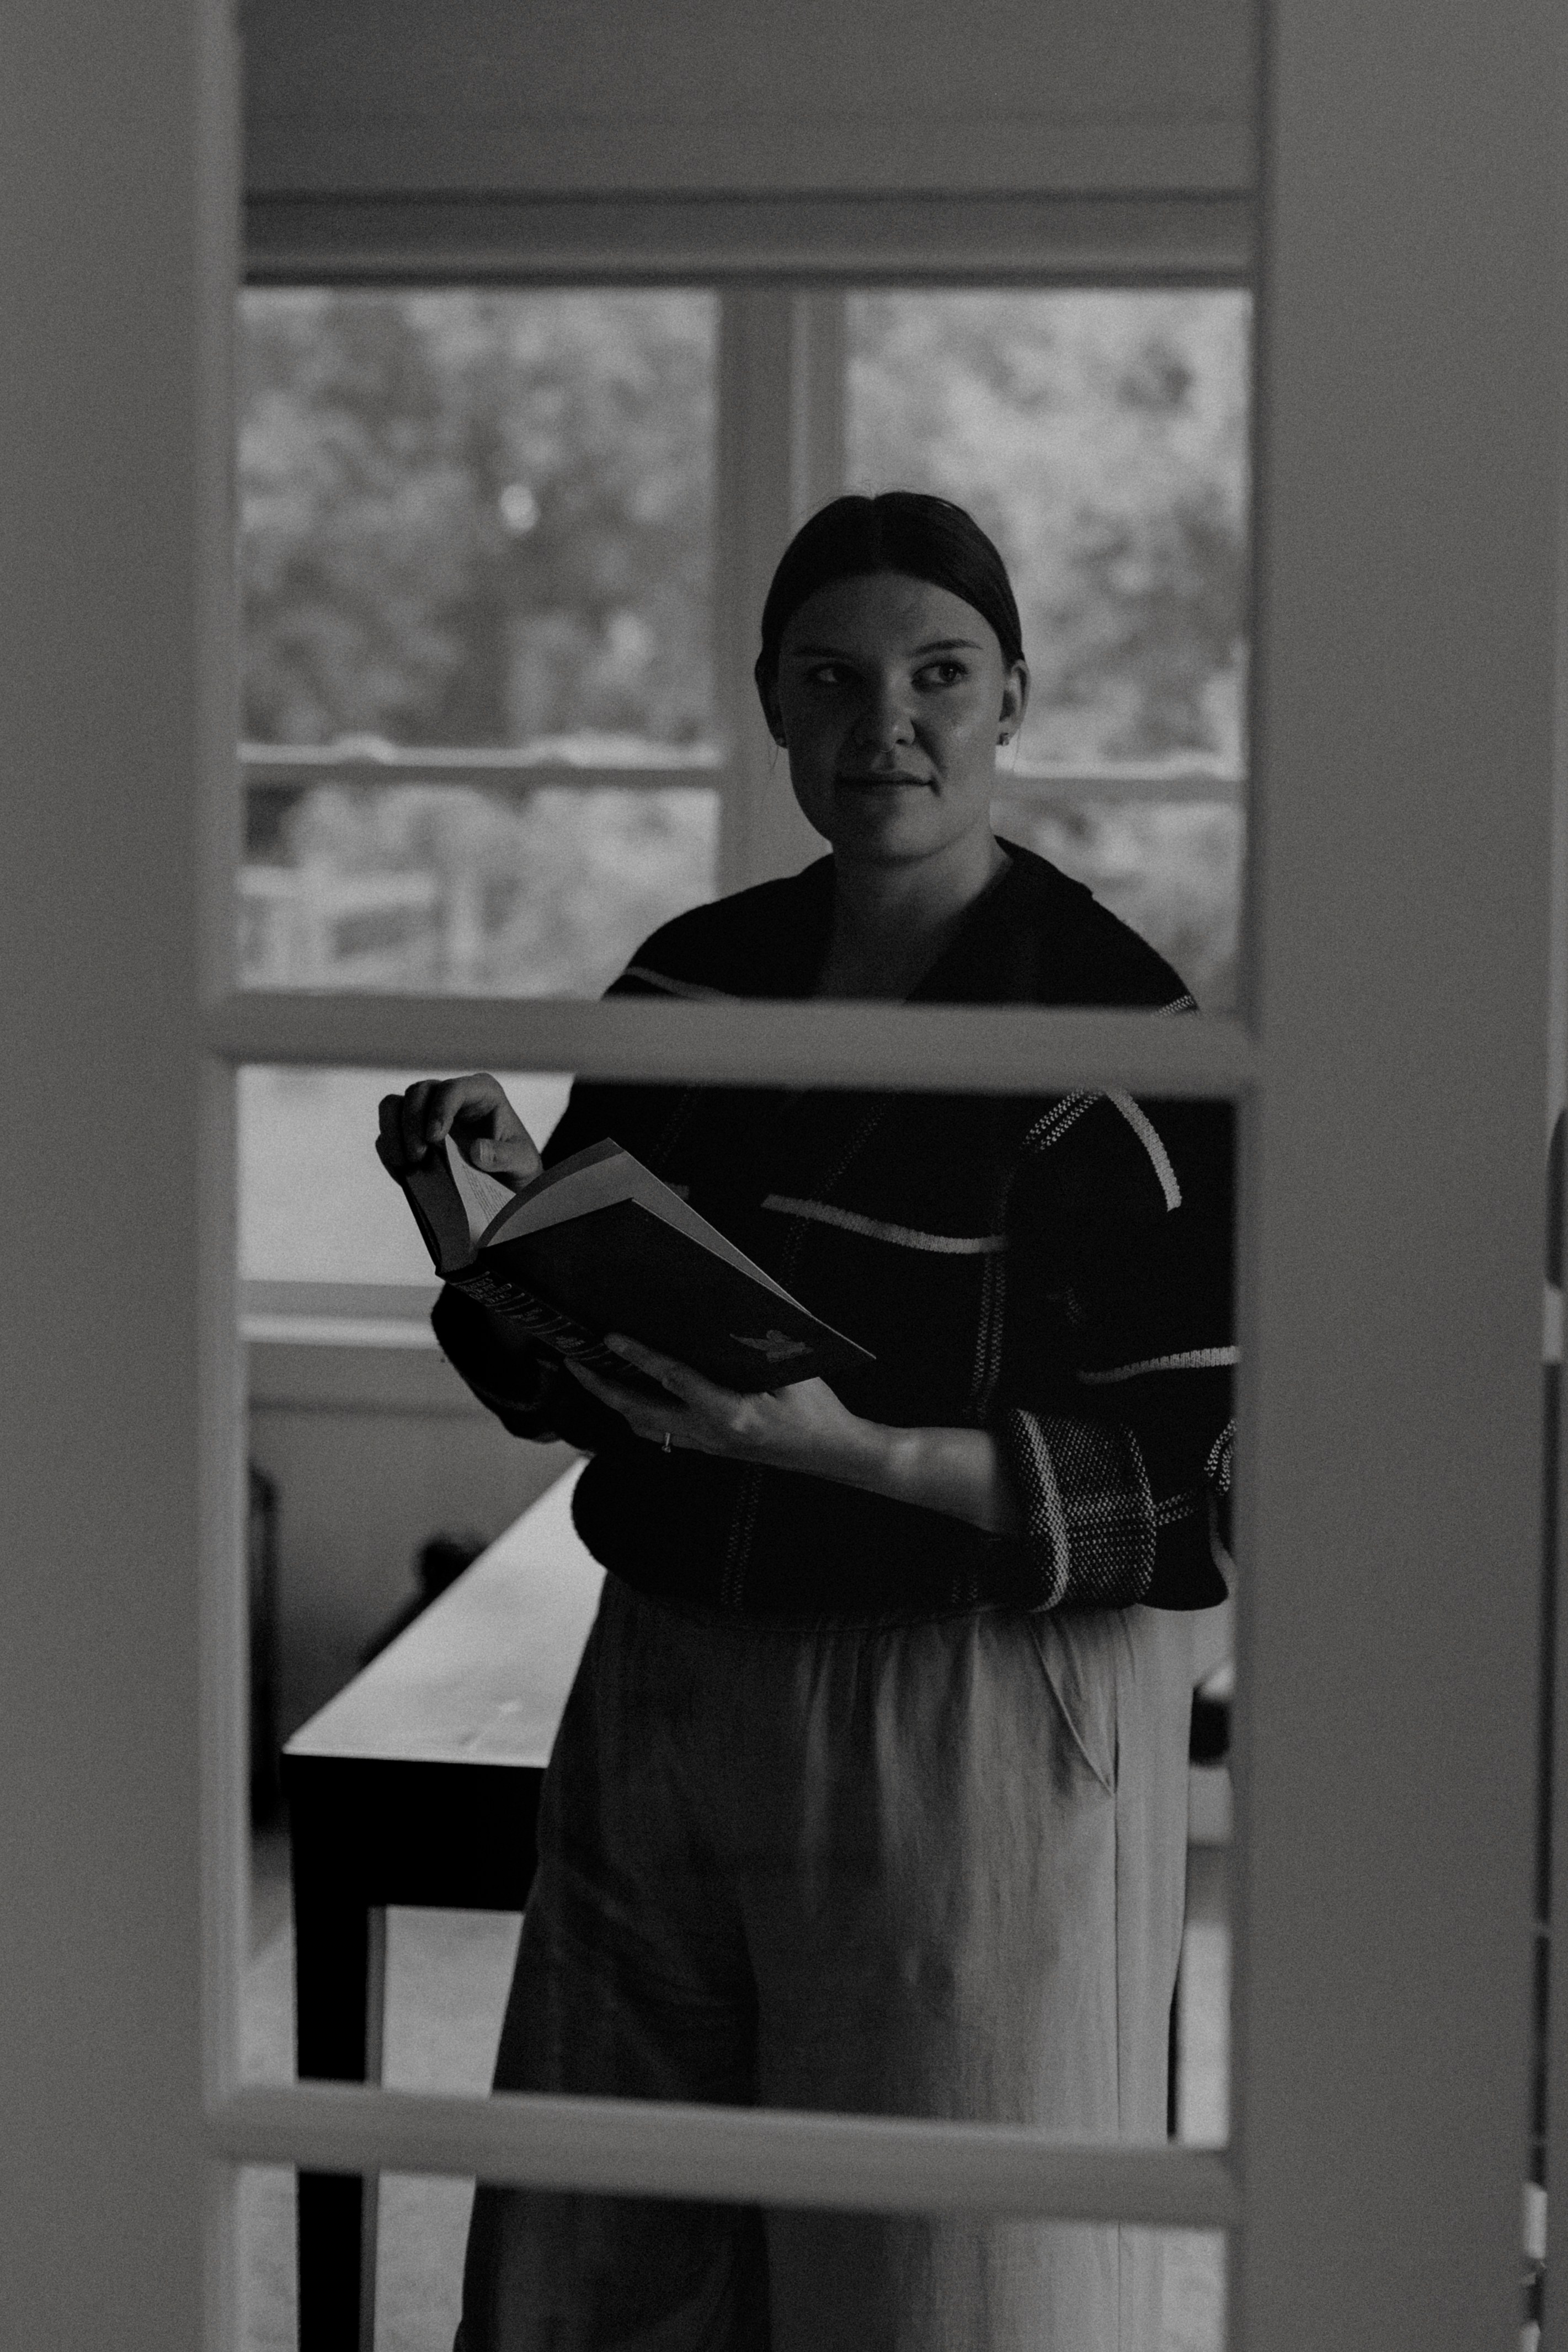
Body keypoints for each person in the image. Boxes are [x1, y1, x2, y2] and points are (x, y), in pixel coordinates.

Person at [377, 492, 1235, 2352]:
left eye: (937, 675)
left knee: (931, 2285)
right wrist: (497, 1243)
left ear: (1015, 696)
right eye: (832, 680)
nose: (885, 727)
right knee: (599, 2270)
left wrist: (855, 1454)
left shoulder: (1117, 1040)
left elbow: (1216, 1494)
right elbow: (577, 1379)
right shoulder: (686, 982)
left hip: (961, 1708)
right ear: (768, 702)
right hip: (668, 1681)